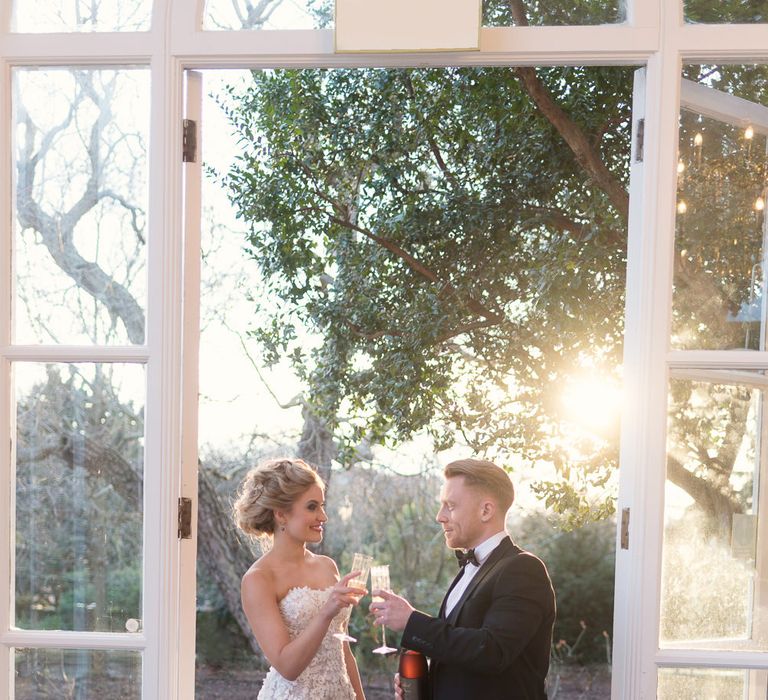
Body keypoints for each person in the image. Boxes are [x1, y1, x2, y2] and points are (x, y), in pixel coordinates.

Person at [370, 458, 555, 700]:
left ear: (486, 510)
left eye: (451, 505)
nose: (440, 516)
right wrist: (425, 684)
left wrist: (411, 620)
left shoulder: (523, 568)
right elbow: (461, 656)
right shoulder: (468, 569)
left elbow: (492, 651)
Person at [234, 457, 366, 700]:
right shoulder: (259, 579)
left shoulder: (327, 566)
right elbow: (288, 667)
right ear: (281, 514)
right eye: (312, 507)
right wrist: (327, 611)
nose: (323, 516)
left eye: (322, 506)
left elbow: (343, 650)